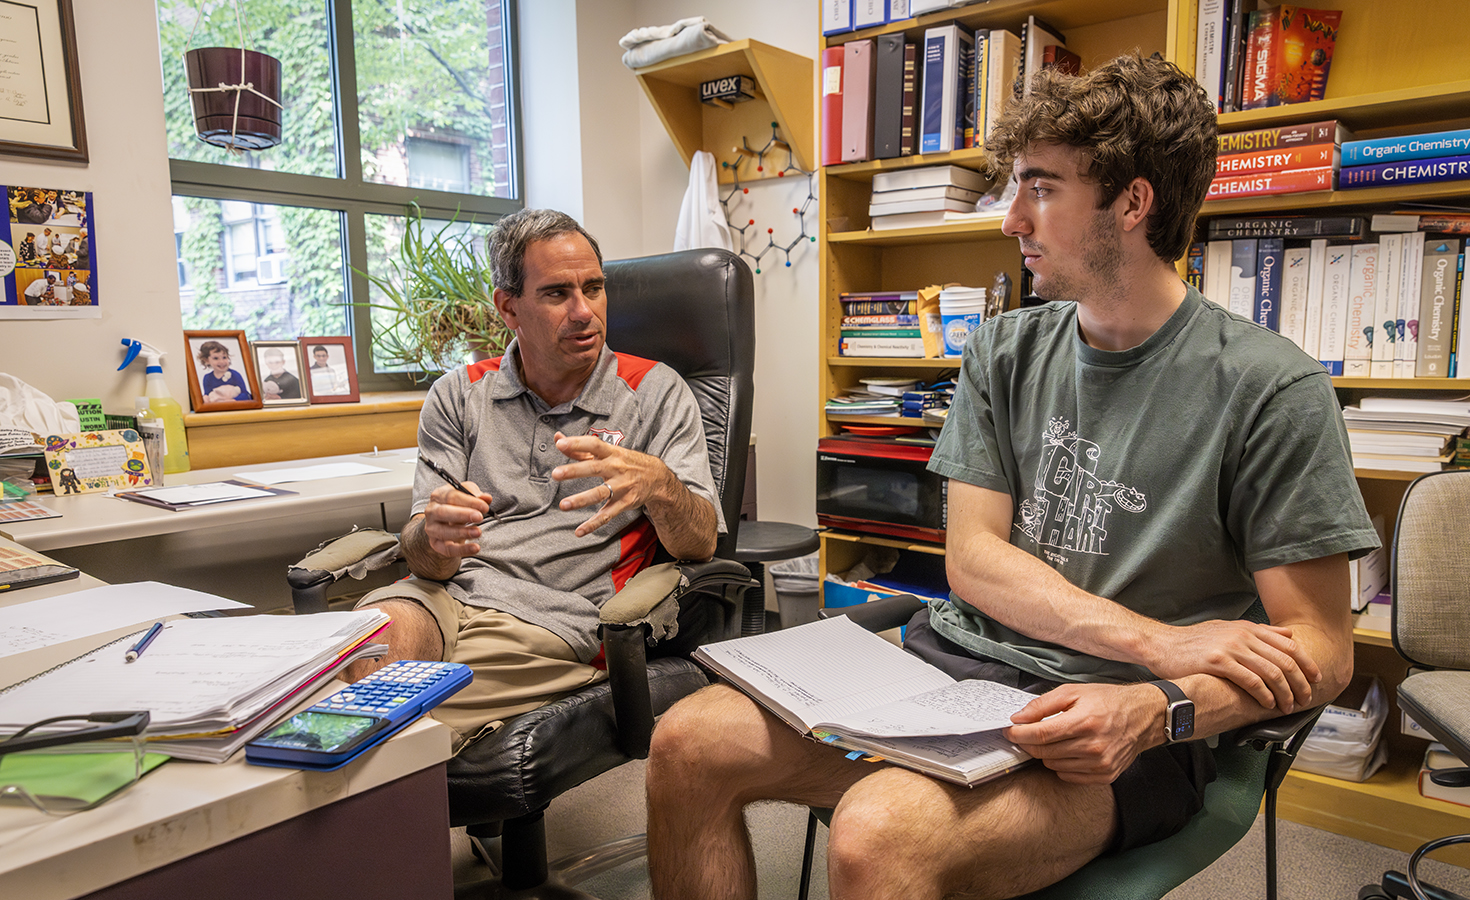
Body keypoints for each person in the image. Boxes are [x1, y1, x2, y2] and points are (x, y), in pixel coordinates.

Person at [646, 54, 1377, 900]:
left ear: (1132, 203)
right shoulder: (1003, 350)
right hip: (956, 669)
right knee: (686, 744)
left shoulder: (1271, 389)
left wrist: (1160, 703)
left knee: (876, 835)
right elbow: (974, 562)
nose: (1010, 218)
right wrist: (1162, 640)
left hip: (1125, 726)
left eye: (1040, 187)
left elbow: (1320, 652)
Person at [340, 207, 723, 752]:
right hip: (443, 594)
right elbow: (425, 557)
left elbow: (701, 542)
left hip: (552, 622)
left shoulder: (654, 391)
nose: (584, 311)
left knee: (388, 720)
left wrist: (660, 484)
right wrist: (434, 537)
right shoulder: (460, 393)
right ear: (508, 306)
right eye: (556, 294)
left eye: (594, 288)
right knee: (358, 652)